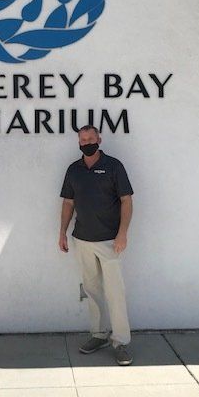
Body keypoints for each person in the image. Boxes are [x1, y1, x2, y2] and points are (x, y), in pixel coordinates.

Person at [59, 125, 134, 365]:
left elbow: (126, 201)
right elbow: (68, 203)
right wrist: (62, 232)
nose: (87, 143)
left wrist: (122, 234)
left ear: (99, 140)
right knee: (92, 291)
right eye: (83, 140)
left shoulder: (114, 166)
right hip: (82, 239)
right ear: (79, 143)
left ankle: (120, 342)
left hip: (110, 241)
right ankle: (98, 335)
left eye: (91, 138)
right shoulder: (74, 170)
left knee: (115, 292)